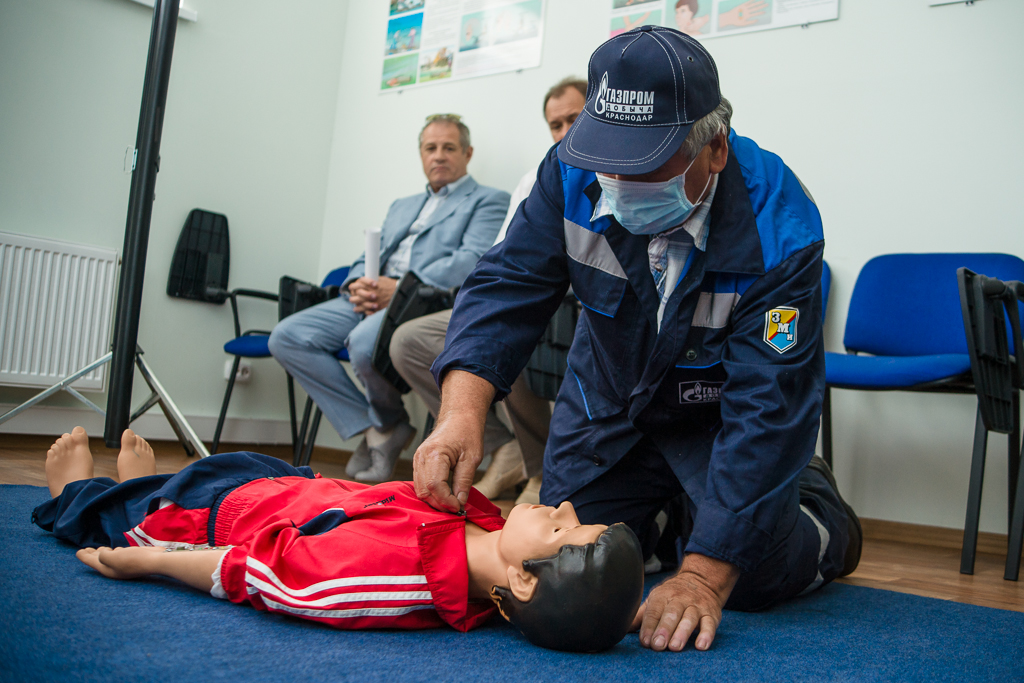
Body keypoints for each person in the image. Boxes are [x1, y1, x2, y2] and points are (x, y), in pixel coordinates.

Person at [413, 26, 862, 653]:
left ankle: (813, 507)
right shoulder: (568, 172)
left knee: (750, 574)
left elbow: (770, 400)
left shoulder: (779, 223)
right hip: (610, 405)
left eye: (646, 159)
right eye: (607, 156)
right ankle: (678, 513)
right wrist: (460, 414)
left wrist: (703, 578)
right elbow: (506, 287)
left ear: (716, 149)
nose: (617, 179)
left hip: (720, 418)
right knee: (576, 562)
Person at [33, 427, 643, 652]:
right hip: (294, 485)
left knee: (117, 515)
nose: (562, 505)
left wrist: (153, 561)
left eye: (561, 527)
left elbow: (255, 572)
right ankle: (145, 485)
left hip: (220, 520)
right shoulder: (484, 517)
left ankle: (79, 493)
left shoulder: (387, 581)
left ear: (524, 579)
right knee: (198, 470)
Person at [269, 115, 509, 483]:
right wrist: (356, 283)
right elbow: (371, 252)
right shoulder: (402, 204)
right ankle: (381, 427)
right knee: (287, 336)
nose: (439, 156)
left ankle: (383, 425)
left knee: (365, 343)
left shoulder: (489, 200)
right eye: (431, 148)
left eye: (449, 148)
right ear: (421, 154)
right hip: (372, 295)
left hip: (420, 300)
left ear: (467, 153)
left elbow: (470, 260)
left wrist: (398, 288)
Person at [389, 77, 587, 504]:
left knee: (519, 334)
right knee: (409, 340)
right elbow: (503, 265)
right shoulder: (535, 179)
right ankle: (504, 446)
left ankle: (542, 471)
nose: (566, 132)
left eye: (575, 117)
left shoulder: (622, 171)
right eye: (556, 124)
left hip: (577, 306)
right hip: (534, 297)